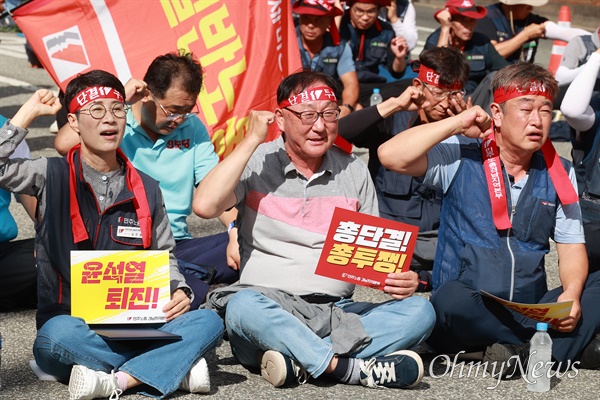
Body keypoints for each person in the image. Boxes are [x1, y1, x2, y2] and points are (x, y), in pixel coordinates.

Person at [193, 70, 435, 389]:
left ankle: (299, 359)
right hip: (269, 304)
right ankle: (346, 368)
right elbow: (205, 206)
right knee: (242, 307)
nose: (319, 126)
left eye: (329, 114)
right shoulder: (258, 161)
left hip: (335, 312)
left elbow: (377, 262)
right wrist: (251, 139)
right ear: (281, 118)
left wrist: (399, 279)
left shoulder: (355, 171)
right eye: (308, 115)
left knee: (421, 311)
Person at [0, 72, 224, 399]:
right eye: (96, 110)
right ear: (74, 122)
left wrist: (180, 289)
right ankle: (170, 368)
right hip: (71, 325)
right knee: (55, 336)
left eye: (118, 109)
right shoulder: (50, 174)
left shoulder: (147, 187)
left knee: (209, 323)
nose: (110, 119)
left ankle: (120, 380)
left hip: (134, 326)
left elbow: (164, 256)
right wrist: (27, 113)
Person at [379, 62, 600, 375]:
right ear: (497, 114)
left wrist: (571, 296)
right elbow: (390, 156)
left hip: (528, 306)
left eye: (546, 111)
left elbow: (571, 245)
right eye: (526, 109)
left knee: (597, 281)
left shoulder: (560, 171)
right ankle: (556, 347)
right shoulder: (461, 153)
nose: (537, 121)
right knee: (452, 298)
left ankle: (521, 354)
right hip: (467, 306)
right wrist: (458, 122)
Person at [55, 52, 239, 309]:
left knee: (254, 243)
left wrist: (235, 232)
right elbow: (63, 144)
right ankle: (199, 289)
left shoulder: (192, 128)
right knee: (187, 289)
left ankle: (190, 284)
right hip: (124, 249)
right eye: (173, 110)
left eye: (188, 111)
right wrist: (119, 99)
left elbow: (218, 192)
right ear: (147, 94)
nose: (179, 120)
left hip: (177, 246)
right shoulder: (117, 119)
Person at [338, 46, 470, 281]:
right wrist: (394, 105)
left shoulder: (462, 127)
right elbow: (339, 132)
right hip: (387, 243)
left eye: (454, 94)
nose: (445, 103)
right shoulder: (394, 119)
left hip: (439, 245)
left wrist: (473, 134)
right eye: (438, 93)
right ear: (418, 87)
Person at [425, 0, 509, 100]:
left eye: (472, 20)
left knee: (494, 77)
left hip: (473, 99)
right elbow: (436, 73)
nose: (469, 26)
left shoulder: (482, 42)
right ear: (450, 21)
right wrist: (445, 28)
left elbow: (504, 68)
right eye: (462, 20)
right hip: (442, 98)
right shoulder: (435, 40)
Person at [339, 0, 412, 107]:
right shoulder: (339, 23)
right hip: (341, 84)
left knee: (409, 85)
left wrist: (399, 57)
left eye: (371, 12)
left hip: (370, 87)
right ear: (350, 8)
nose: (365, 17)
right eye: (359, 11)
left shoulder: (386, 30)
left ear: (378, 11)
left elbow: (397, 72)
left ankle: (362, 107)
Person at [293, 0, 359, 118]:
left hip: (327, 104)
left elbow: (351, 83)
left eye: (318, 20)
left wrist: (347, 107)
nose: (311, 25)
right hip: (293, 102)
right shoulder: (286, 42)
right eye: (306, 18)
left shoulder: (340, 47)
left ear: (329, 21)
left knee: (358, 108)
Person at [475, 0, 589, 65]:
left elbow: (562, 32)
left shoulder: (531, 20)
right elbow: (493, 53)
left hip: (523, 78)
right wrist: (525, 35)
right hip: (495, 78)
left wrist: (593, 38)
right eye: (526, 5)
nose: (530, 8)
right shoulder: (488, 17)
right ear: (512, 4)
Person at [0, 113, 37, 311]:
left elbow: (30, 195)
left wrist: (53, 244)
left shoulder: (6, 127)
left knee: (65, 259)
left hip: (2, 252)